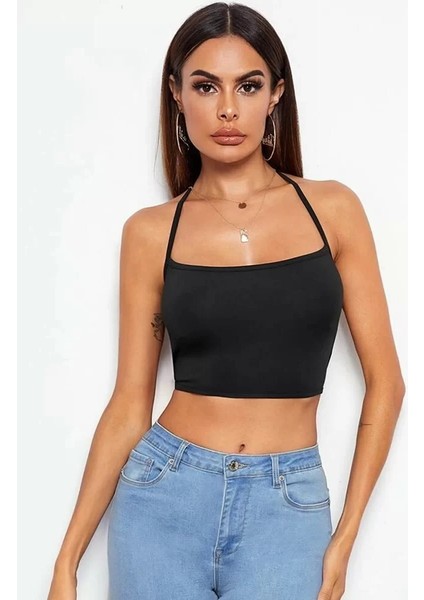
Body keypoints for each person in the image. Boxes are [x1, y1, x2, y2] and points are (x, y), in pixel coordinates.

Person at [47, 3, 405, 599]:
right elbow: (130, 403)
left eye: (249, 85)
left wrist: (345, 537)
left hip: (287, 505)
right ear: (177, 94)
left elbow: (387, 383)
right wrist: (67, 561)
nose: (228, 109)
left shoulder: (333, 211)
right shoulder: (150, 233)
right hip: (163, 496)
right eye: (206, 86)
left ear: (276, 95)